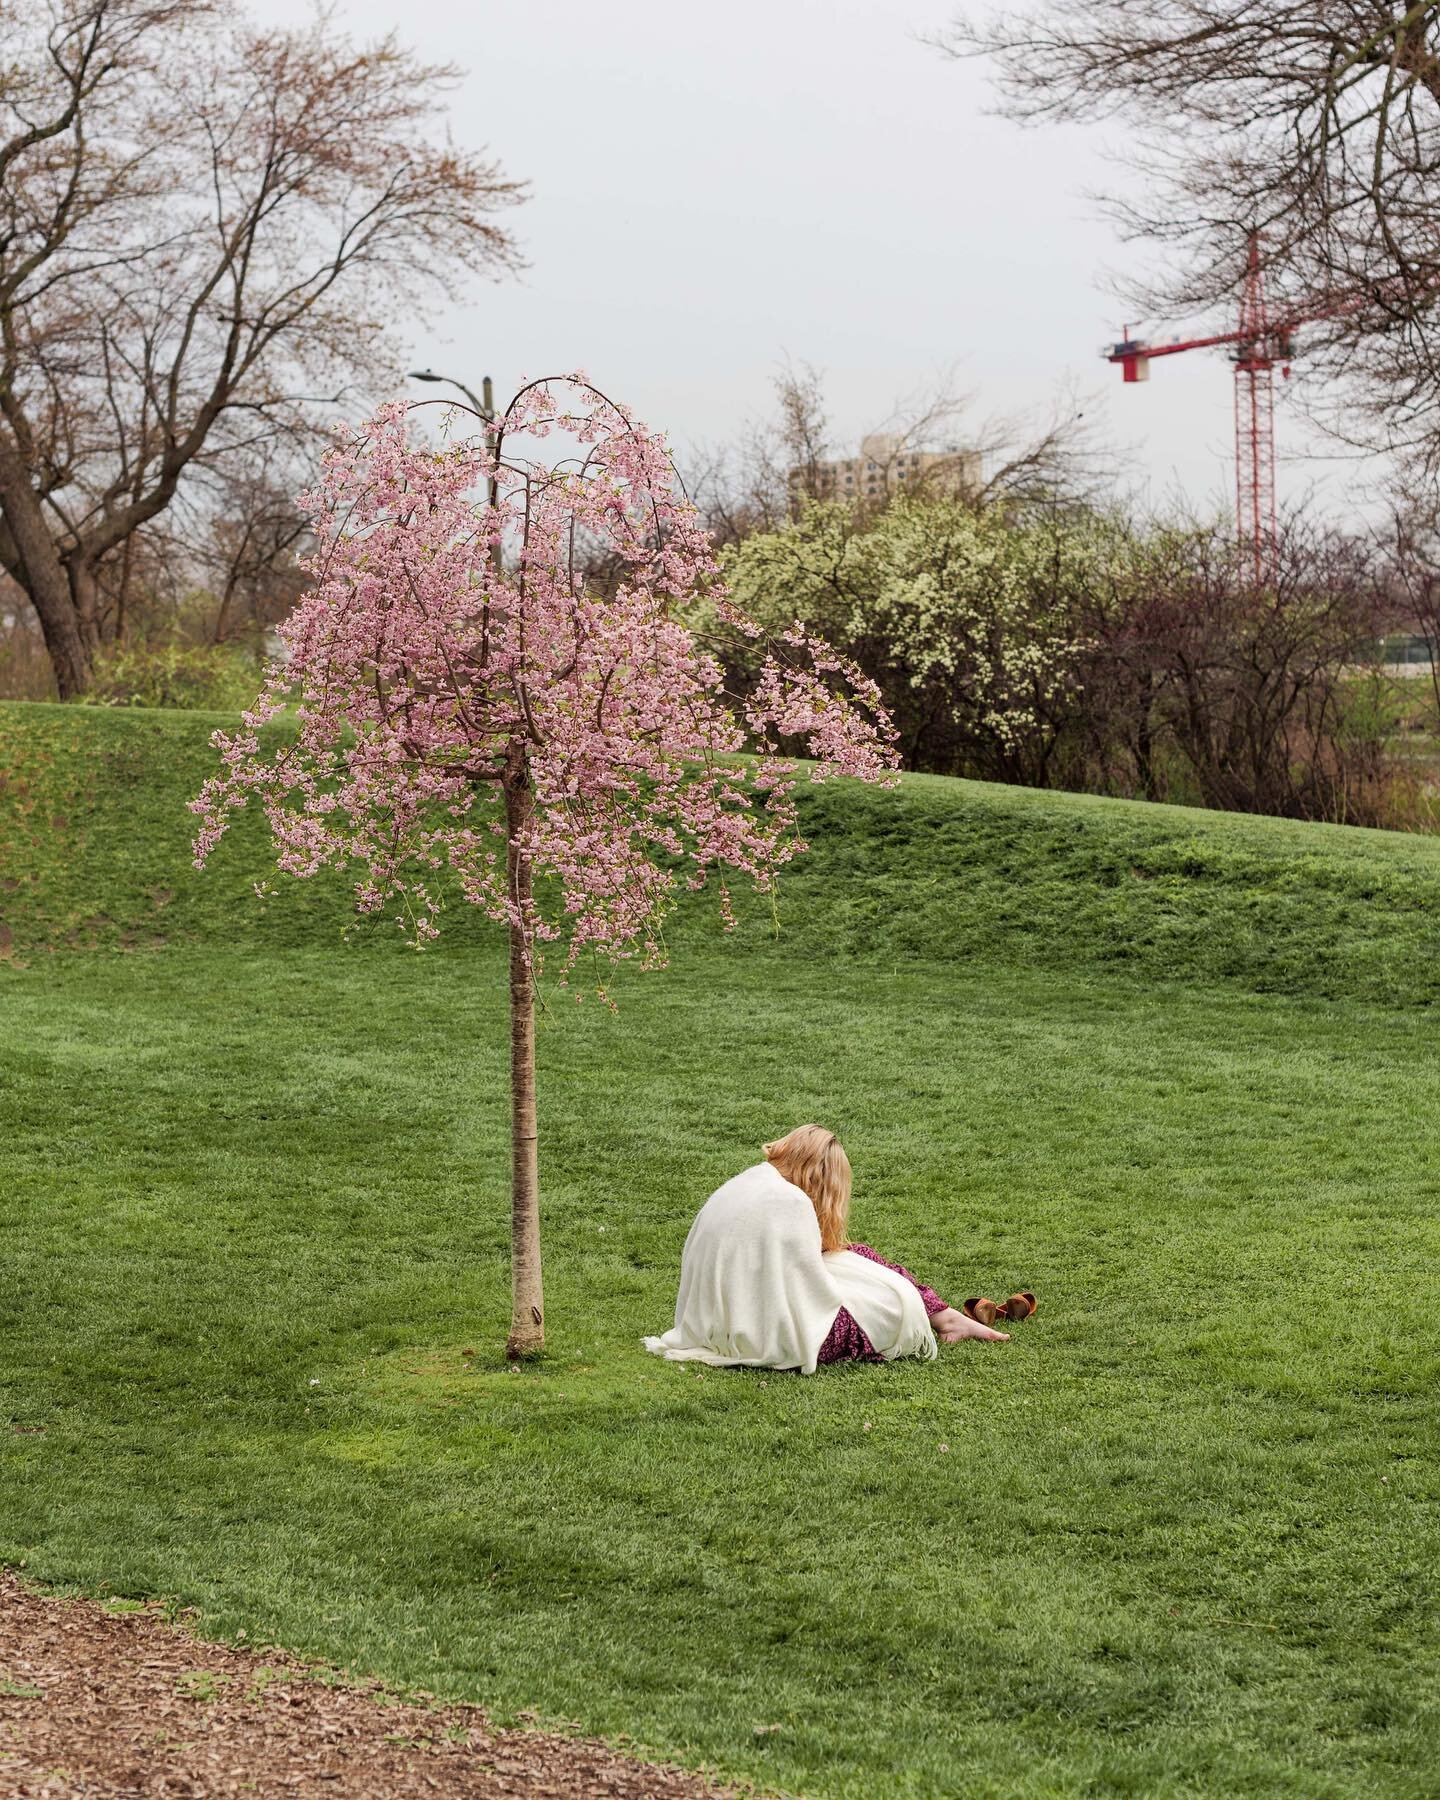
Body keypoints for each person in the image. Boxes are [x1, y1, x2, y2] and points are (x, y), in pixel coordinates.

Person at [642, 1124, 1009, 1375]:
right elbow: (814, 1291)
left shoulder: (753, 1180)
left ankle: (947, 1317)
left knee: (859, 1258)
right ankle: (945, 1317)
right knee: (890, 1302)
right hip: (764, 1333)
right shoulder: (790, 1203)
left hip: (713, 1323)